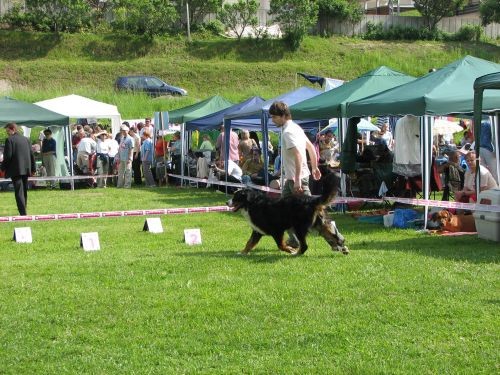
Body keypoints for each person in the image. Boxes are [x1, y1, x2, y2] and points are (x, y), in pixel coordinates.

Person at [268, 101, 321, 248]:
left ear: (283, 116)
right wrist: (315, 167)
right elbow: (310, 148)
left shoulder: (288, 132)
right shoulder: (296, 128)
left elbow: (298, 155)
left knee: (315, 215)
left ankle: (336, 239)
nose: (272, 120)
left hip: (296, 180)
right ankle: (294, 240)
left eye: (274, 117)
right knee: (282, 213)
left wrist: (297, 180)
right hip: (292, 179)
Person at [1, 123, 36, 216]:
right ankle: (24, 209)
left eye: (8, 131)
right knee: (24, 190)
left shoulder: (9, 140)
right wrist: (33, 168)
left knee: (19, 192)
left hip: (15, 170)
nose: (7, 133)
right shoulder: (26, 139)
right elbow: (31, 155)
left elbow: (8, 156)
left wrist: (2, 168)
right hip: (26, 169)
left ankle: (23, 213)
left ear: (13, 129)